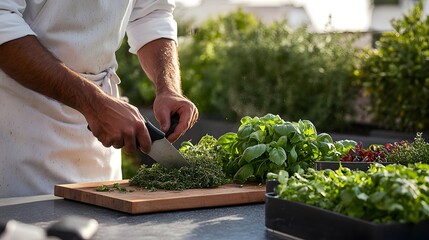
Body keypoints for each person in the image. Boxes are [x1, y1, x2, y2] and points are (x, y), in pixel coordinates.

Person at [0, 0, 199, 198]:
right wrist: (94, 104)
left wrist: (168, 88)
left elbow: (151, 14)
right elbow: (3, 21)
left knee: (104, 221)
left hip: (101, 130)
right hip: (21, 125)